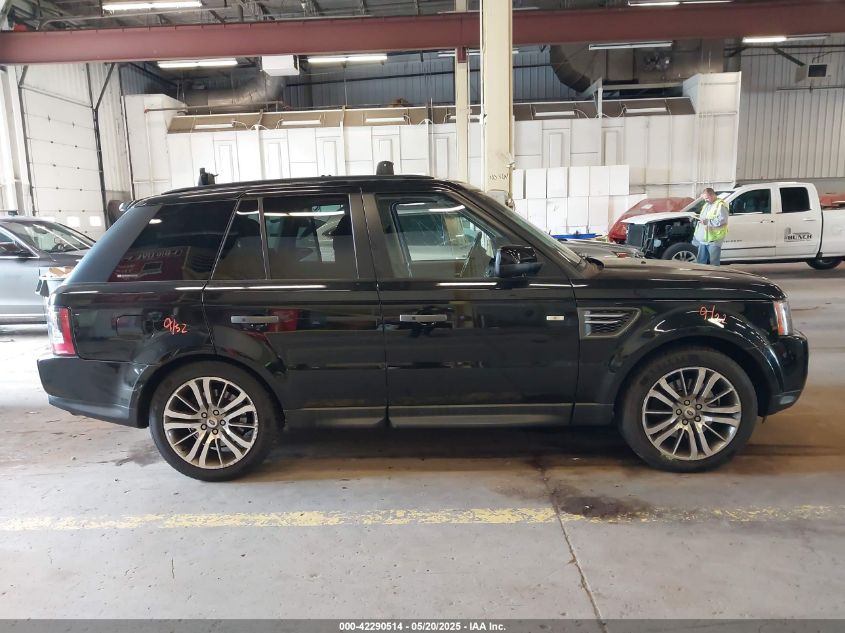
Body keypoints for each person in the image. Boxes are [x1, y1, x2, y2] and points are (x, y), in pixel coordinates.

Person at [693, 187, 729, 266]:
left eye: (707, 198)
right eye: (704, 199)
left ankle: (714, 274)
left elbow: (722, 221)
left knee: (714, 263)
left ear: (712, 195)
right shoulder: (707, 205)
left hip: (714, 239)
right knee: (700, 261)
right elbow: (704, 217)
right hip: (704, 238)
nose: (705, 200)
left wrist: (707, 222)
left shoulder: (721, 206)